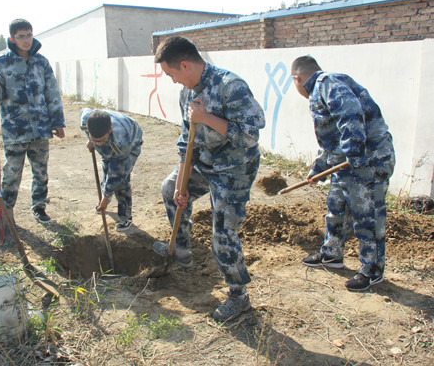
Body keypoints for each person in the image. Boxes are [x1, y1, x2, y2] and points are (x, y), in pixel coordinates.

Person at [152, 36, 265, 322]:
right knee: (169, 189)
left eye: (171, 74)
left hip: (234, 170)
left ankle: (239, 299)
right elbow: (184, 141)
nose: (173, 80)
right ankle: (181, 250)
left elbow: (250, 135)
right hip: (204, 162)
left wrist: (206, 118)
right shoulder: (187, 93)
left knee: (223, 234)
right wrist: (181, 185)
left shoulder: (231, 86)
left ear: (185, 65)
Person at [291, 56, 395, 291]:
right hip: (349, 163)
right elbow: (331, 140)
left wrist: (355, 157)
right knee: (336, 206)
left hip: (368, 161)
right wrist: (319, 169)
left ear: (296, 78)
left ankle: (372, 270)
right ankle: (332, 254)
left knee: (367, 216)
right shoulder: (319, 90)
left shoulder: (327, 84)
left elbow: (350, 117)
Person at [0, 18, 65, 224]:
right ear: (12, 38)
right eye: (21, 36)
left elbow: (52, 93)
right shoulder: (0, 63)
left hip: (40, 128)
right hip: (15, 129)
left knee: (41, 171)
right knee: (11, 174)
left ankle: (39, 207)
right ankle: (6, 212)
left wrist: (57, 122)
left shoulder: (41, 62)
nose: (26, 40)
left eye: (29, 35)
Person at [80, 108, 144, 231]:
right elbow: (86, 125)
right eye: (95, 140)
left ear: (109, 130)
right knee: (106, 168)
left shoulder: (122, 142)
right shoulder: (85, 119)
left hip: (132, 141)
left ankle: (125, 217)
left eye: (102, 140)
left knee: (121, 182)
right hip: (112, 139)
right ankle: (107, 196)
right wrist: (90, 140)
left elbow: (116, 174)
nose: (98, 144)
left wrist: (104, 198)